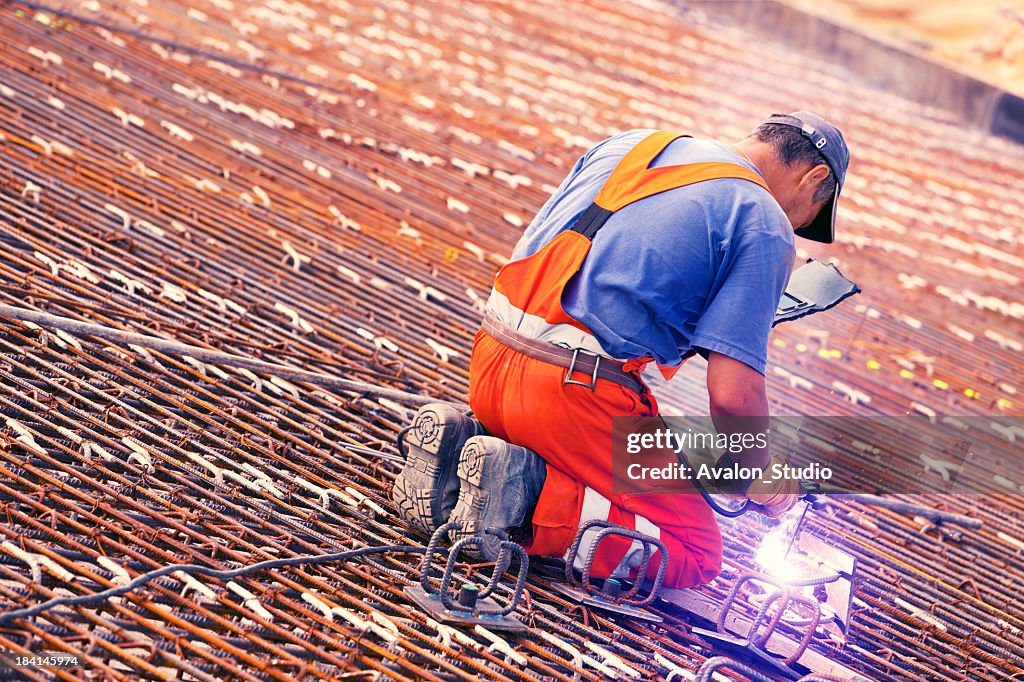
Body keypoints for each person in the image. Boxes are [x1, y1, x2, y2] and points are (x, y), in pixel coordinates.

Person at [392, 112, 850, 588]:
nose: (794, 228)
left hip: (489, 359)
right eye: (806, 220)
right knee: (695, 552)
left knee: (621, 466)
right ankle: (522, 498)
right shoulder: (765, 221)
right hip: (569, 395)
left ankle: (461, 451)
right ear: (814, 178)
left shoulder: (634, 143)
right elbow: (734, 396)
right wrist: (761, 479)